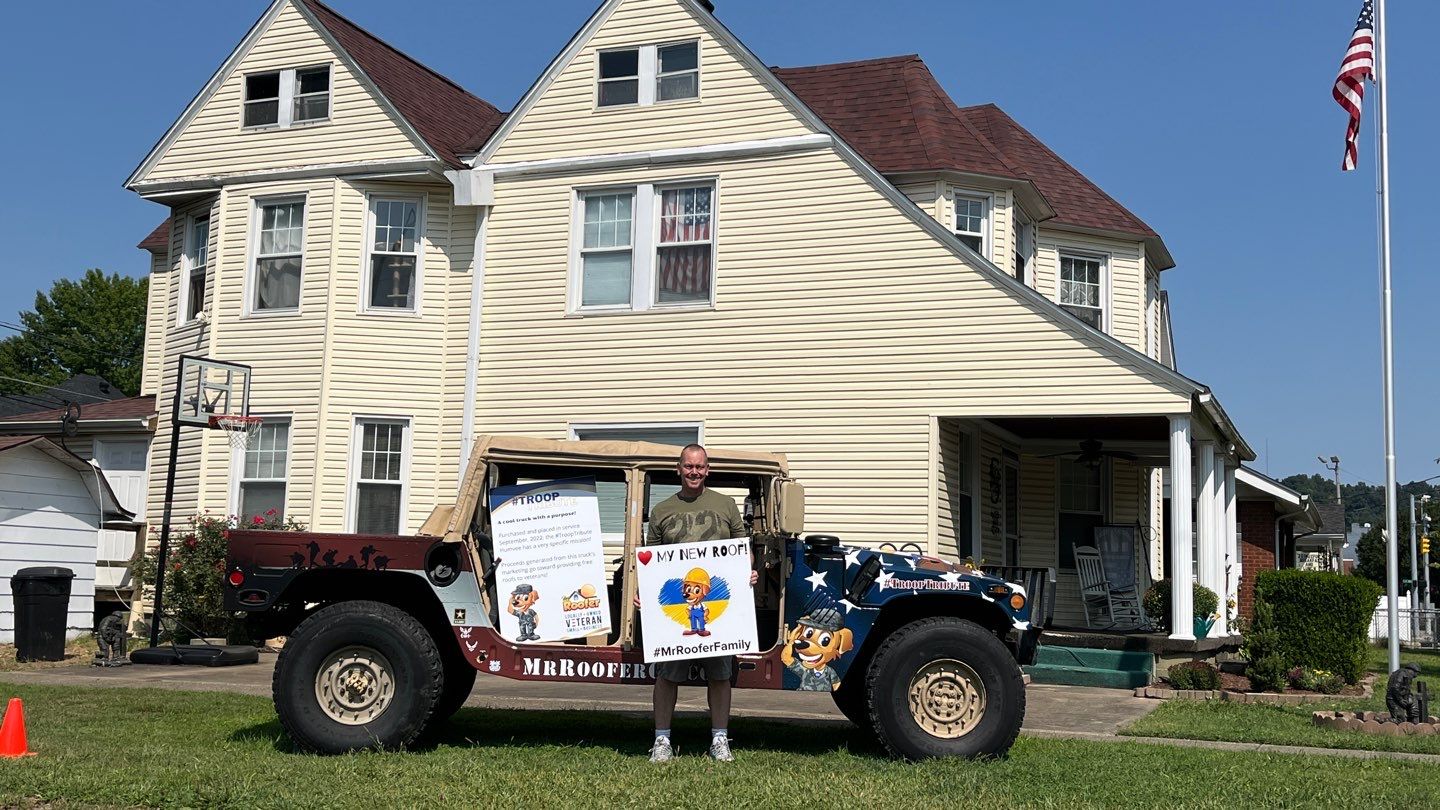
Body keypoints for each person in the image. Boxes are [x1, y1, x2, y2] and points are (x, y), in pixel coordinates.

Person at [642, 444, 756, 763]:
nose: (694, 472)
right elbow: (651, 563)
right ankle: (662, 741)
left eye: (699, 466)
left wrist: (748, 573)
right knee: (667, 675)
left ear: (707, 470)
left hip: (719, 607)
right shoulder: (662, 511)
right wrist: (646, 592)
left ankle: (720, 739)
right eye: (688, 466)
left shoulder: (726, 505)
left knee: (720, 675)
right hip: (676, 610)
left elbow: (740, 549)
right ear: (678, 469)